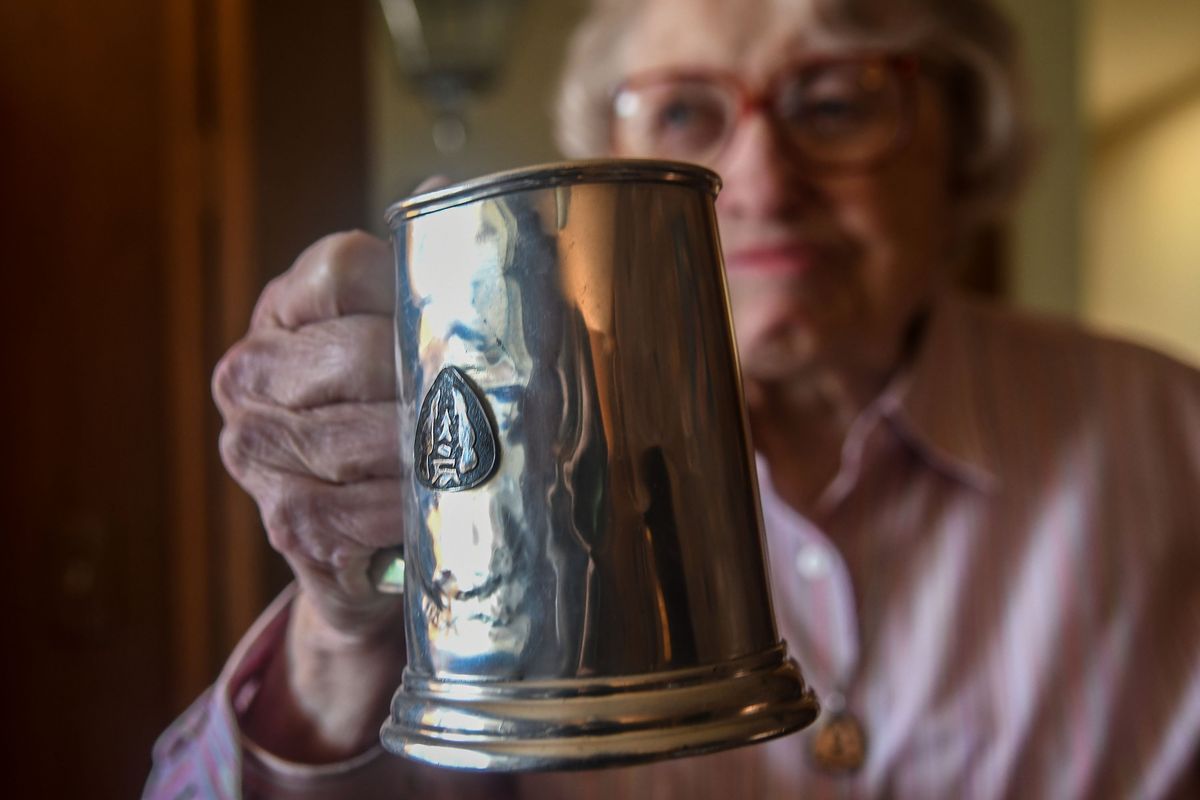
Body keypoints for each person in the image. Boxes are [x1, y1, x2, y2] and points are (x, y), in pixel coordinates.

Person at [145, 0, 1200, 797]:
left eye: (835, 103)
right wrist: (345, 633)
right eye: (688, 112)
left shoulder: (1174, 439)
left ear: (964, 140)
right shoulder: (482, 457)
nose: (764, 178)